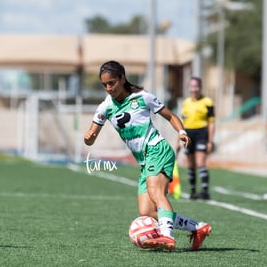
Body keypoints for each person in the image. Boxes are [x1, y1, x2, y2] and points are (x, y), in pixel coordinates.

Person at [84, 60, 211, 251]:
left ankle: (167, 237)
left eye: (112, 83)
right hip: (144, 161)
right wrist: (88, 138)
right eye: (105, 85)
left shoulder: (143, 97)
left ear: (122, 78)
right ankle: (198, 227)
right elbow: (90, 137)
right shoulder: (105, 107)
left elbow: (171, 116)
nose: (108, 88)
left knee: (156, 193)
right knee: (148, 211)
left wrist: (182, 133)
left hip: (157, 149)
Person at [176, 77, 215, 200]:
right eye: (192, 86)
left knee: (200, 162)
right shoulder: (186, 102)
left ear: (200, 87)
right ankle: (193, 191)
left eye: (196, 86)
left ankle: (204, 191)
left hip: (202, 133)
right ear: (189, 87)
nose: (194, 89)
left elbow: (211, 123)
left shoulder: (207, 102)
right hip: (188, 134)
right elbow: (182, 122)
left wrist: (210, 140)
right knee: (191, 164)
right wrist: (178, 140)